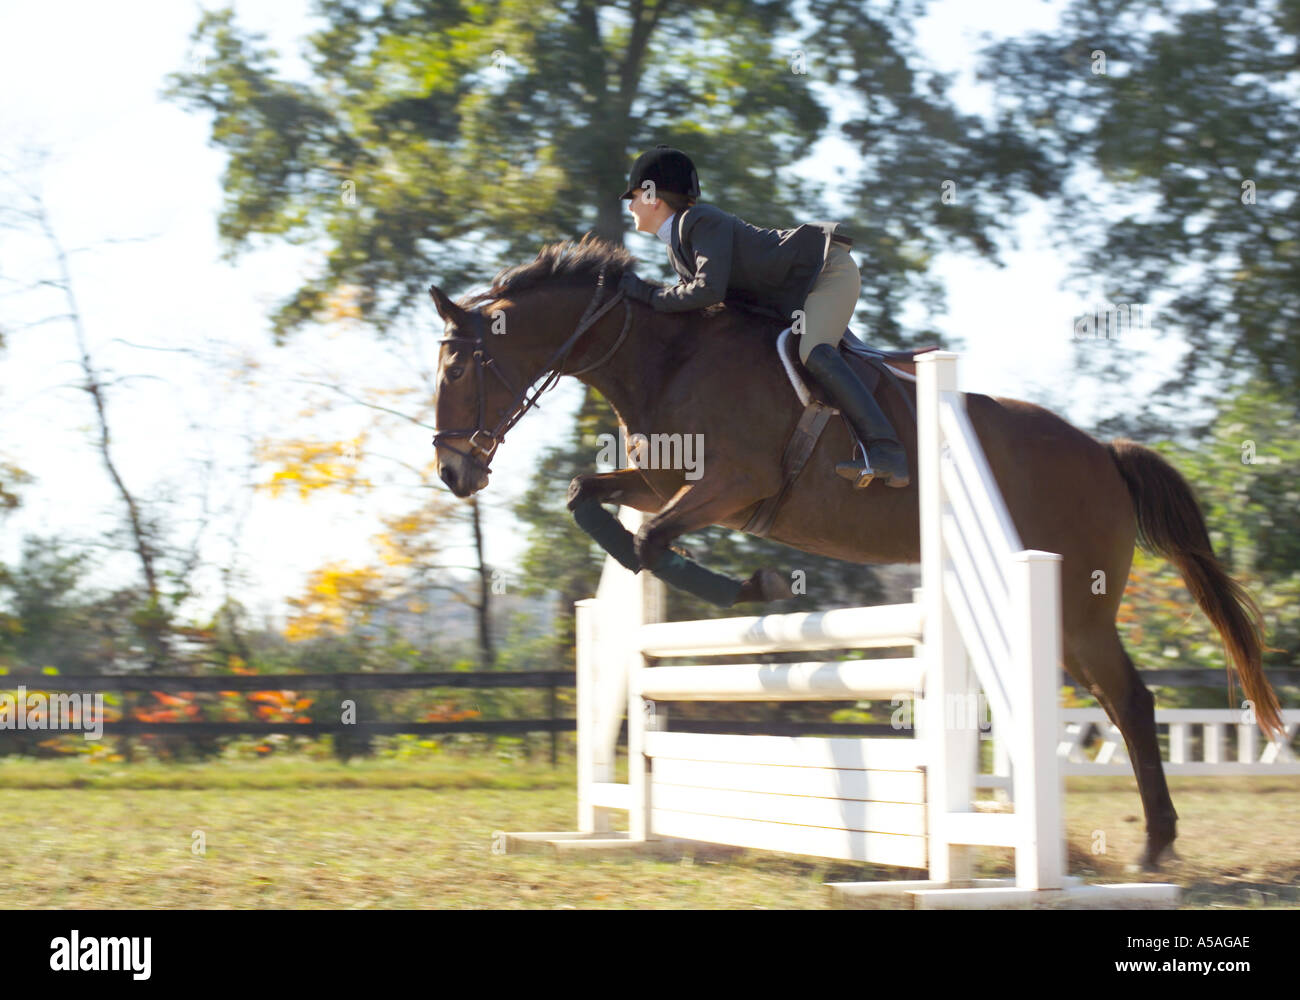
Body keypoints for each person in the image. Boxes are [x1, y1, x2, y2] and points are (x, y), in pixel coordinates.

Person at [616, 145, 908, 488]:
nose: (630, 205)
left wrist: (647, 294)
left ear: (653, 197)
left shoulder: (697, 221)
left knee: (812, 351)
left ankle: (886, 450)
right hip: (800, 290)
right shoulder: (678, 242)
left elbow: (707, 291)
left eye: (633, 196)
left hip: (827, 274)